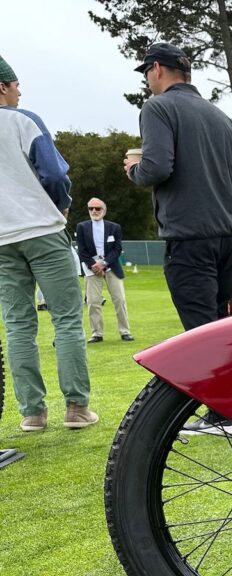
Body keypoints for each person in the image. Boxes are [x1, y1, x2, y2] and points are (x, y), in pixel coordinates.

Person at [125, 43, 232, 434]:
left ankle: (223, 414)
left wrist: (134, 170)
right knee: (219, 323)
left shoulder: (157, 108)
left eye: (146, 73)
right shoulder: (220, 117)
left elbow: (156, 167)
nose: (147, 80)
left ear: (156, 69)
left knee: (201, 331)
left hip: (189, 236)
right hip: (228, 236)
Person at [0, 55, 97, 431]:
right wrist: (62, 206)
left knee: (17, 324)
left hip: (3, 241)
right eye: (16, 84)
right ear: (3, 86)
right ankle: (76, 408)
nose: (20, 91)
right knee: (68, 319)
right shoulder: (25, 120)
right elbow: (55, 174)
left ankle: (32, 413)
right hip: (42, 229)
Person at [76, 198, 133, 342]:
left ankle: (125, 331)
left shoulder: (114, 227)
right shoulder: (82, 227)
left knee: (119, 300)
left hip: (111, 267)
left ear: (104, 211)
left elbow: (117, 249)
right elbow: (81, 251)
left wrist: (104, 264)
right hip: (91, 269)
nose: (94, 211)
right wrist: (94, 266)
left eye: (97, 208)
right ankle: (97, 333)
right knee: (93, 302)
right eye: (91, 208)